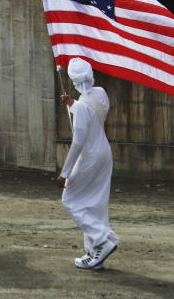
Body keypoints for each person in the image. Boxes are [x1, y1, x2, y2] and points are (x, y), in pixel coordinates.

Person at [56, 57, 118, 270]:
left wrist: (64, 173)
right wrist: (73, 105)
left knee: (70, 199)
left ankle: (102, 240)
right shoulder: (100, 93)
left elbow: (78, 142)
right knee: (95, 203)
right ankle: (94, 253)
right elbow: (91, 112)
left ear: (73, 81)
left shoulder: (82, 106)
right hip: (104, 153)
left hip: (89, 156)